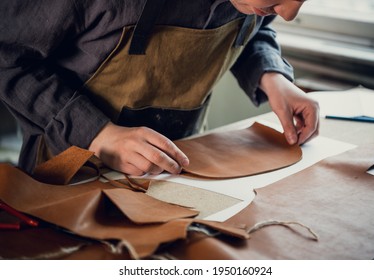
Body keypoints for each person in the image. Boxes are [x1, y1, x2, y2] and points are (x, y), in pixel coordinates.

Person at [0, 0, 318, 176]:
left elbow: (251, 30)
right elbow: (7, 56)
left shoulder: (257, 3)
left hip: (183, 172)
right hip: (69, 175)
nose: (289, 13)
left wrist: (273, 76)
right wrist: (99, 134)